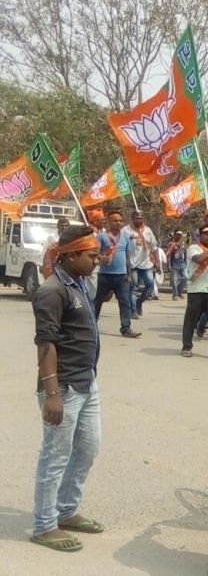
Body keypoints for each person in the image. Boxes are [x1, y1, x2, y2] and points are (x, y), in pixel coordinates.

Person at [30, 225, 104, 552]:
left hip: (86, 381)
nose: (97, 260)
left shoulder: (80, 282)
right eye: (91, 255)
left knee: (88, 447)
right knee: (55, 455)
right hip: (64, 387)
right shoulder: (51, 291)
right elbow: (46, 345)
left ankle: (67, 510)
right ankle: (44, 525)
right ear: (72, 255)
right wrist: (52, 394)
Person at [94, 209, 140, 338]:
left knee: (124, 302)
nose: (118, 223)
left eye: (120, 221)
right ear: (109, 222)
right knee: (98, 301)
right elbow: (94, 253)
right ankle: (91, 324)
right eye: (115, 220)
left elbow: (127, 256)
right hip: (105, 276)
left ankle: (126, 328)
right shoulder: (102, 236)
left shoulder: (125, 237)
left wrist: (129, 274)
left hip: (121, 276)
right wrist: (101, 258)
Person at [181, 225, 208, 357]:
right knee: (191, 320)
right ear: (200, 236)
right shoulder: (193, 249)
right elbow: (199, 259)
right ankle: (187, 346)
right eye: (206, 234)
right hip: (197, 290)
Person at [122, 211, 159, 319]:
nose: (139, 220)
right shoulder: (125, 231)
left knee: (150, 286)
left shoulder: (147, 231)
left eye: (141, 218)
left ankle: (139, 302)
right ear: (132, 218)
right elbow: (121, 248)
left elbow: (154, 247)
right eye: (137, 218)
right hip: (132, 264)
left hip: (146, 263)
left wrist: (157, 262)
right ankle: (133, 311)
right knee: (133, 288)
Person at [166, 230, 188, 300]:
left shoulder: (183, 244)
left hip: (182, 264)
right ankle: (175, 294)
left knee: (185, 278)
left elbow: (185, 253)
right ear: (174, 235)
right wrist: (169, 265)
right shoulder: (171, 244)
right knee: (174, 280)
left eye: (180, 234)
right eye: (178, 234)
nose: (179, 236)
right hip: (174, 264)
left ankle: (179, 291)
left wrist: (186, 262)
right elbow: (168, 255)